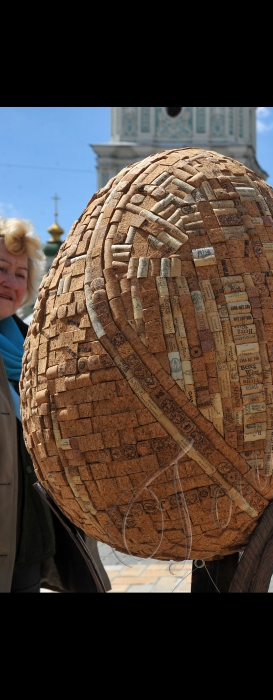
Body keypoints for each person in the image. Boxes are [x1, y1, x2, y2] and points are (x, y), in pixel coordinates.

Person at [0, 217, 110, 592]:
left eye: (19, 274)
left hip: (28, 536)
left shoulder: (33, 347)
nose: (10, 282)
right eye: (1, 269)